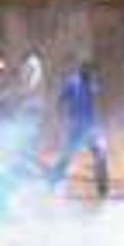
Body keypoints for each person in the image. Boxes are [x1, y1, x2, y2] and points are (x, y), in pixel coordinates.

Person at [49, 60, 109, 198]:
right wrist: (58, 117)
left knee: (101, 154)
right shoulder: (72, 83)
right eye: (87, 72)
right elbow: (61, 99)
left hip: (91, 128)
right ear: (82, 71)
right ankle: (53, 180)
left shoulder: (93, 85)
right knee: (67, 157)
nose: (90, 75)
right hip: (76, 128)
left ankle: (102, 187)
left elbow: (97, 103)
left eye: (91, 72)